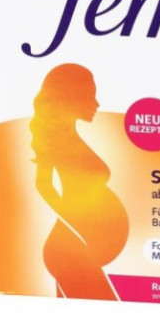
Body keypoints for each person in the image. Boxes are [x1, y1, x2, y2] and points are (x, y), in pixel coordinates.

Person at [30, 64, 129, 300]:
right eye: (90, 96)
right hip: (71, 247)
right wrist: (79, 224)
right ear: (71, 98)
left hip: (78, 248)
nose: (97, 104)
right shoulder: (53, 141)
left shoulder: (71, 137)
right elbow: (43, 185)